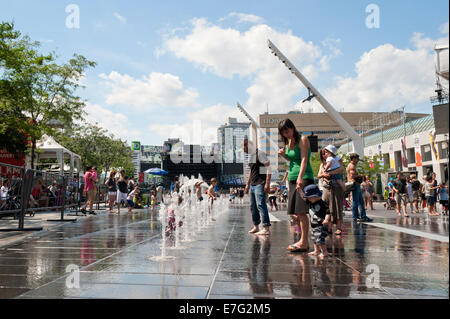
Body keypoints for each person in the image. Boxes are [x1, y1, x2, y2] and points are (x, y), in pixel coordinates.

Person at [278, 118, 315, 251]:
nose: (286, 134)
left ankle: (304, 242)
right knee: (296, 213)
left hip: (303, 177)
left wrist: (300, 177)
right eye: (283, 132)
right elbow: (292, 159)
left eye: (287, 130)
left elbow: (304, 159)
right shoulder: (288, 143)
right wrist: (283, 156)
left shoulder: (303, 139)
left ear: (292, 128)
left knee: (301, 211)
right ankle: (302, 241)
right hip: (292, 178)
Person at [243, 138, 271, 236]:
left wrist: (267, 183)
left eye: (244, 148)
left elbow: (268, 168)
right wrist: (247, 184)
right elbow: (251, 171)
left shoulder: (260, 153)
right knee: (253, 207)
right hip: (253, 185)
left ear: (248, 146)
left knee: (261, 205)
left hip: (260, 183)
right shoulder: (251, 156)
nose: (243, 150)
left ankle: (266, 227)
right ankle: (256, 226)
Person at [318, 148, 345, 236]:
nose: (324, 155)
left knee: (338, 207)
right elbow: (319, 175)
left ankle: (339, 228)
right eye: (322, 153)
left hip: (336, 188)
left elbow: (341, 169)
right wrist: (324, 175)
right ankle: (328, 228)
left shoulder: (335, 161)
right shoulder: (322, 165)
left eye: (325, 152)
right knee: (326, 208)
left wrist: (330, 173)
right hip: (326, 188)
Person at [303, 184, 331, 259]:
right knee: (314, 239)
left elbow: (328, 212)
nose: (308, 199)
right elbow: (303, 197)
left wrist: (326, 220)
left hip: (321, 225)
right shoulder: (311, 202)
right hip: (313, 225)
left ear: (315, 196)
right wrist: (299, 190)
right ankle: (316, 251)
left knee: (320, 239)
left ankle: (325, 251)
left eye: (309, 198)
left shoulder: (322, 203)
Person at [346, 153, 373, 222]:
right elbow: (352, 176)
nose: (358, 160)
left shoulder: (351, 165)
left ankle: (363, 216)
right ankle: (355, 217)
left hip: (356, 185)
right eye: (357, 159)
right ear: (354, 159)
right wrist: (360, 175)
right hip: (355, 184)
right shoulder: (352, 166)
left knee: (361, 201)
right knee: (355, 201)